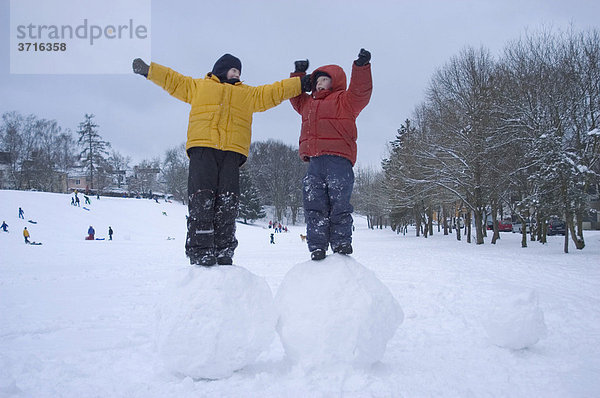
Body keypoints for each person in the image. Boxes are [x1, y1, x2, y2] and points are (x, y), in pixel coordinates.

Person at [132, 54, 311, 266]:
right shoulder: (199, 86)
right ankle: (201, 250)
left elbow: (274, 91)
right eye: (233, 70)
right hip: (203, 149)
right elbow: (173, 80)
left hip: (232, 152)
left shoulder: (248, 94)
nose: (237, 74)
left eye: (239, 71)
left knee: (228, 201)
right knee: (202, 199)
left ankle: (224, 249)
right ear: (220, 69)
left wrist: (300, 83)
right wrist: (148, 70)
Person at [290, 49, 372, 261]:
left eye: (324, 80)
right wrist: (299, 75)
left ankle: (341, 243)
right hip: (315, 163)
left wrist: (361, 67)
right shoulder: (308, 104)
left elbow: (361, 92)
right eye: (317, 80)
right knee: (313, 205)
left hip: (339, 161)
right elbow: (295, 97)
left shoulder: (345, 101)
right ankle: (317, 246)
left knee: (340, 205)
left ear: (334, 82)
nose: (319, 83)